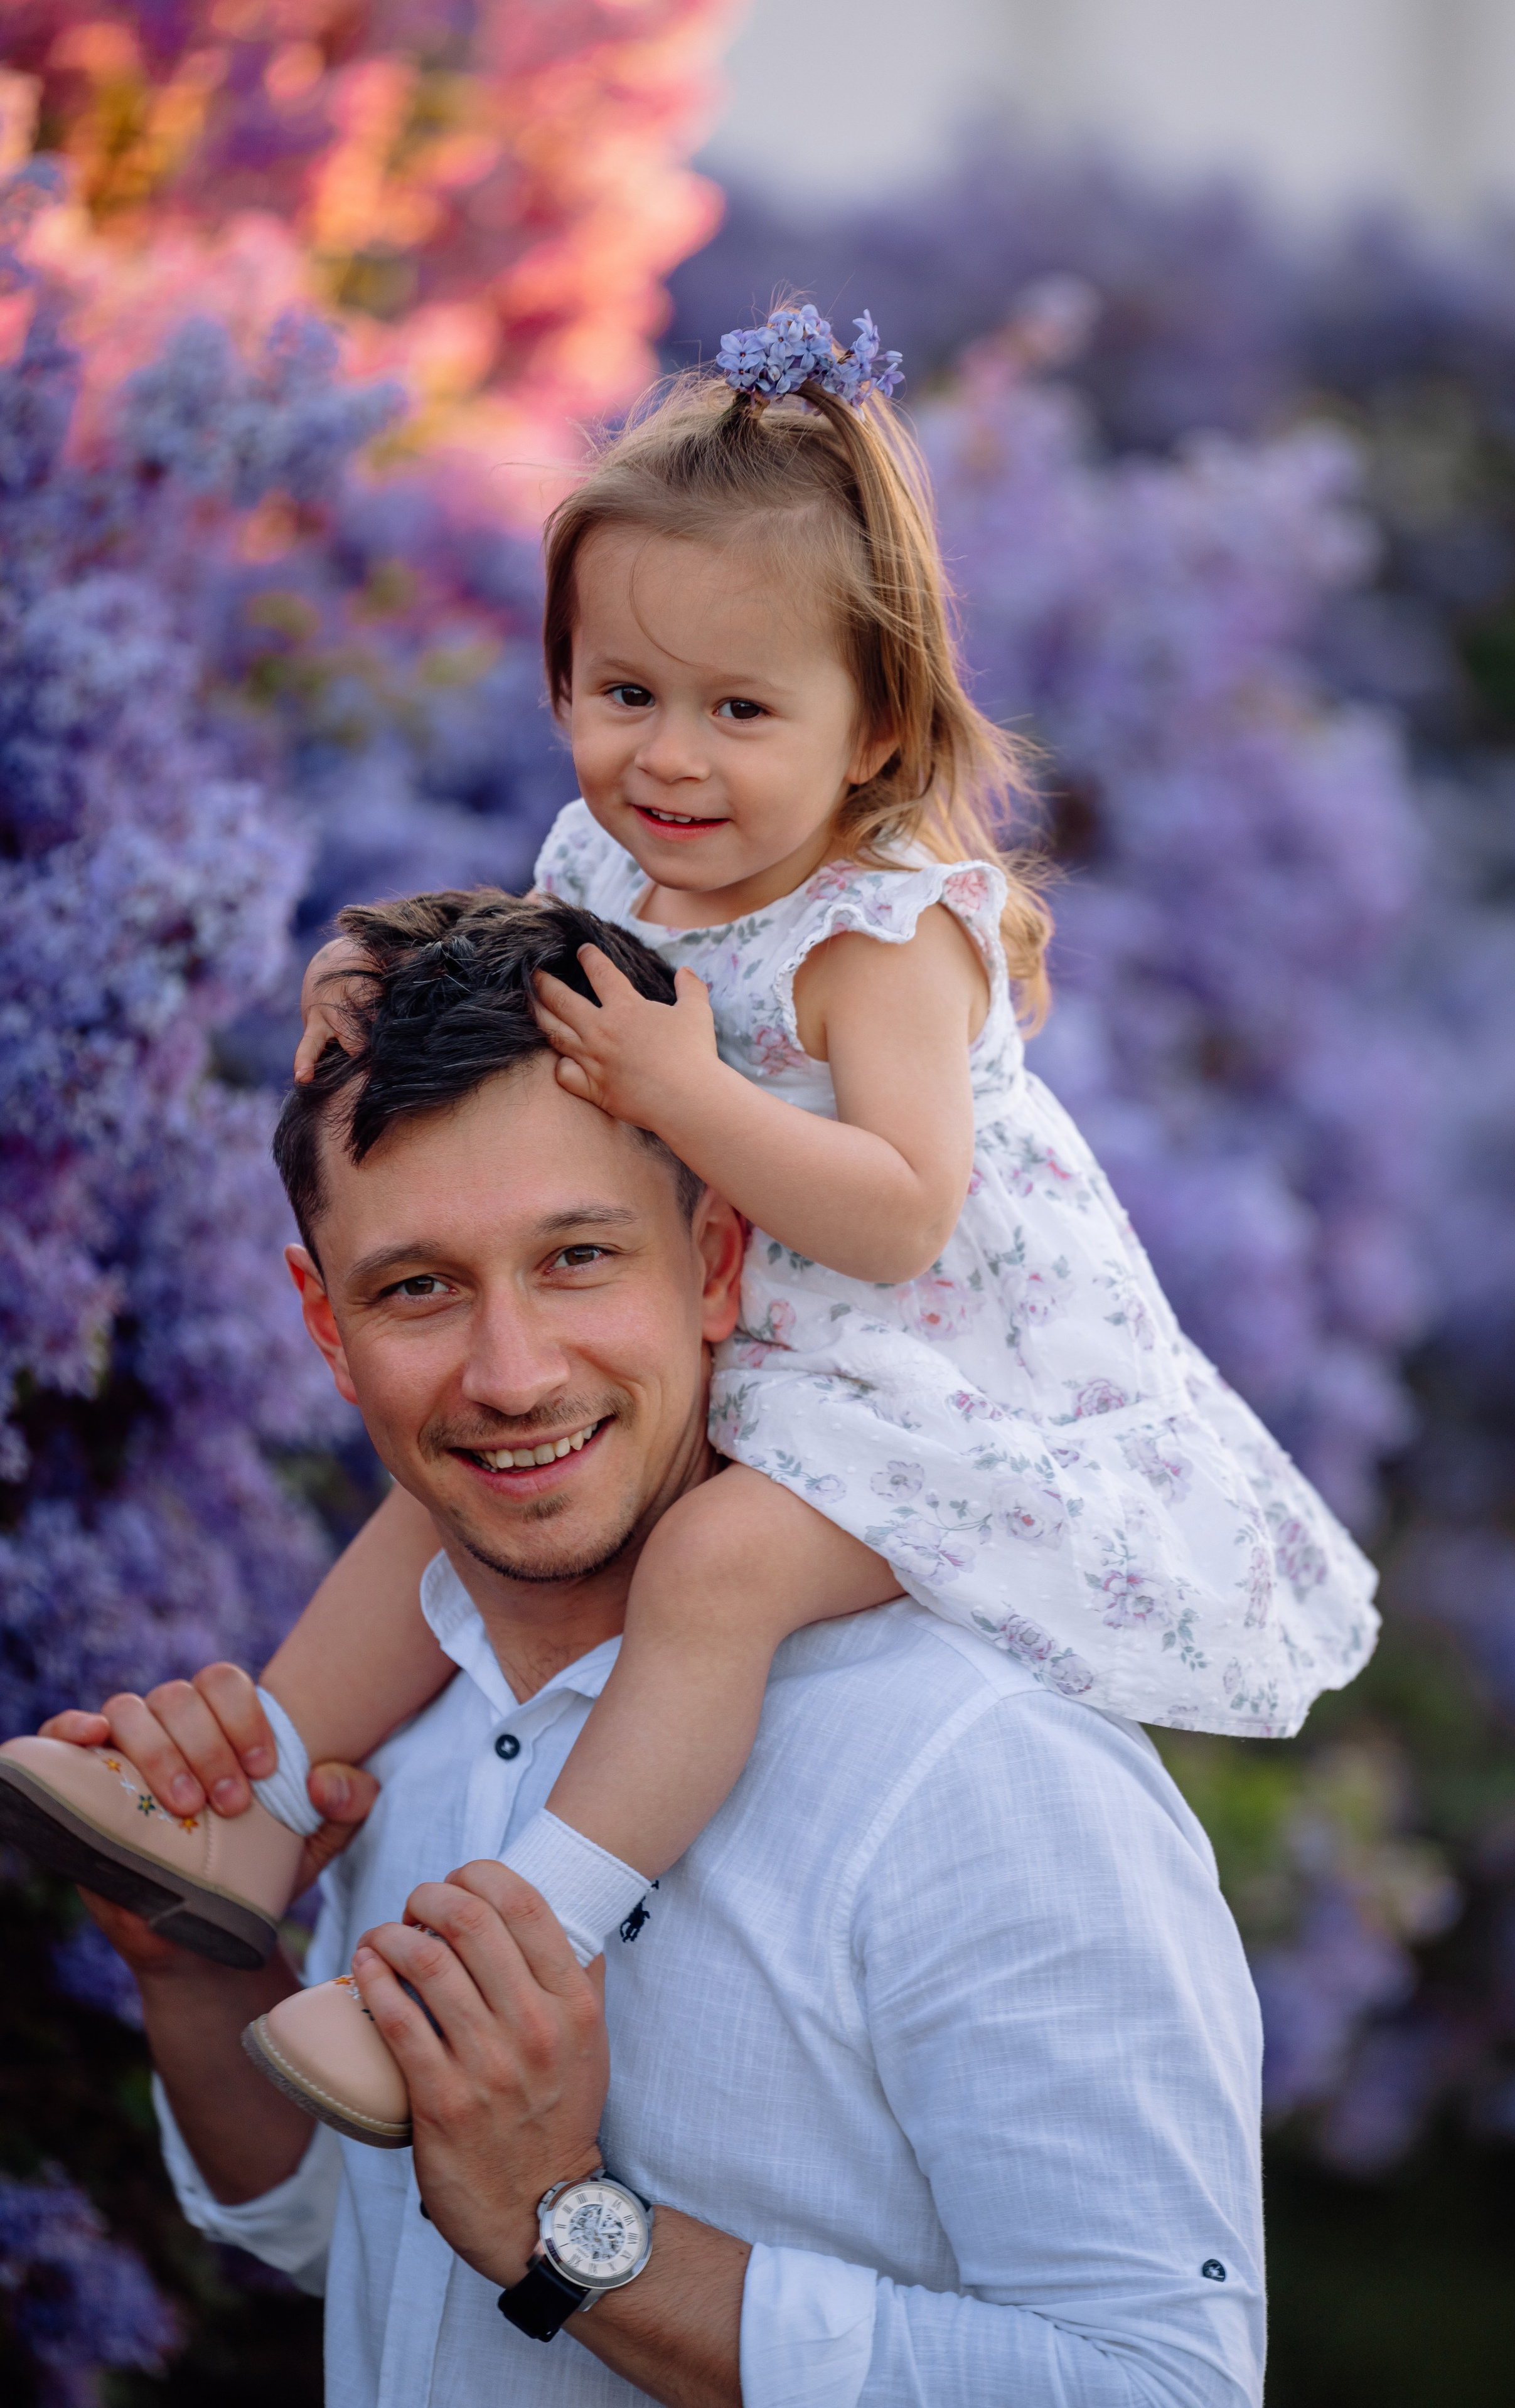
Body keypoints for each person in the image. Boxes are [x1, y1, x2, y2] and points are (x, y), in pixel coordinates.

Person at [0, 301, 1374, 2140]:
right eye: (622, 693)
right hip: (746, 1323)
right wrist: (377, 953)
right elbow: (536, 956)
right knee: (457, 1461)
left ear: (875, 719)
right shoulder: (615, 858)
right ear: (562, 678)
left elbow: (900, 1215)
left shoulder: (889, 927)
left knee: (713, 1568)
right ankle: (253, 1804)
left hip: (928, 1380)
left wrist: (687, 1100)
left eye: (742, 709)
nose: (671, 758)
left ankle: (519, 1945)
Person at [51, 889, 1268, 2404]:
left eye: (576, 1258)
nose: (509, 1373)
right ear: (321, 1322)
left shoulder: (982, 1775)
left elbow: (1161, 2383)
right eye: (418, 1287)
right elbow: (337, 2236)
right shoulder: (407, 1726)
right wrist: (198, 1986)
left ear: (713, 1262)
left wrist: (564, 2230)